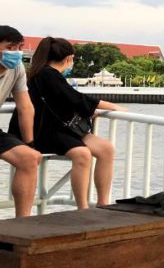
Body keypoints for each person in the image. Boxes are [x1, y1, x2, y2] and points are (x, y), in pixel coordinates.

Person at [11, 37, 126, 209]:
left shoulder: (47, 74)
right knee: (83, 154)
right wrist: (113, 107)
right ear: (68, 58)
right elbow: (76, 98)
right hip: (43, 130)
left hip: (60, 127)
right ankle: (83, 208)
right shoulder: (47, 74)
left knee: (106, 149)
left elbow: (66, 99)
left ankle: (103, 203)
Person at [0, 26, 41, 217]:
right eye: (10, 47)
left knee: (30, 158)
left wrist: (29, 143)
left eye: (19, 48)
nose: (15, 53)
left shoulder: (16, 68)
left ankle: (22, 222)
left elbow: (25, 107)